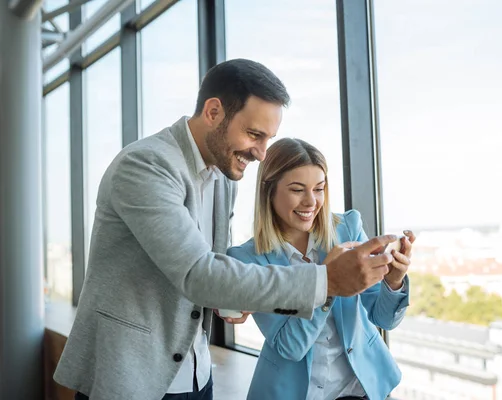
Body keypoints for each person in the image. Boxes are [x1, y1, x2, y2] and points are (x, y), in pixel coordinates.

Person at [53, 59, 398, 400]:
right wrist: (328, 281)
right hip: (133, 376)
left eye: (269, 138)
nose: (262, 154)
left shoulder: (222, 177)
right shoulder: (146, 166)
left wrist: (233, 299)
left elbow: (211, 264)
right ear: (214, 112)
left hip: (197, 375)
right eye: (253, 134)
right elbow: (199, 274)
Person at [227, 138, 414, 400]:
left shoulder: (347, 228)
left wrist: (393, 282)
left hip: (363, 388)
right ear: (268, 190)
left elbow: (384, 319)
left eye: (319, 189)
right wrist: (326, 282)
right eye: (297, 190)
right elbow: (290, 346)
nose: (311, 202)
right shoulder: (248, 260)